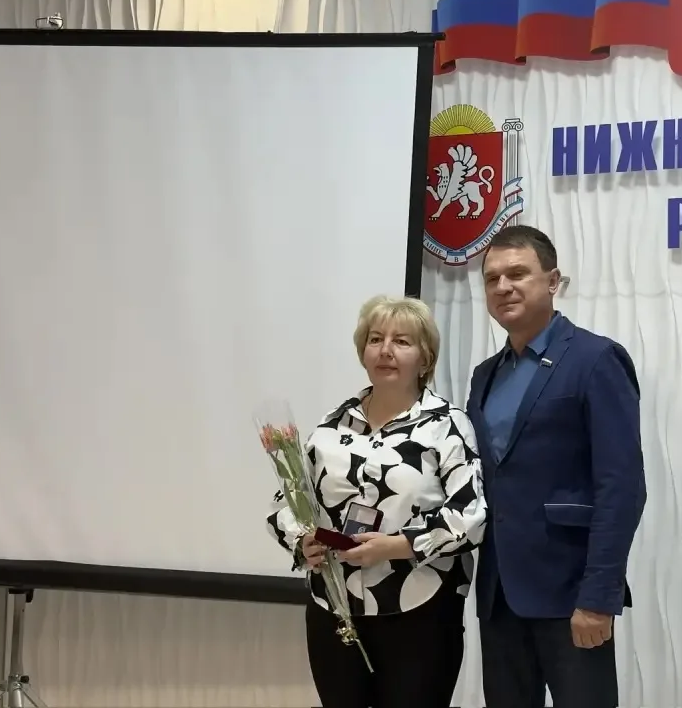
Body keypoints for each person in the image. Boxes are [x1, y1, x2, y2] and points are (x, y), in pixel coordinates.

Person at [265, 295, 487, 708]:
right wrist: (301, 541)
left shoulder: (447, 426)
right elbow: (286, 503)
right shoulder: (333, 424)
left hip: (419, 609)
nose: (385, 350)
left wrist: (395, 546)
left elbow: (470, 516)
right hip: (333, 608)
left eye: (401, 341)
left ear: (425, 358)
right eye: (375, 339)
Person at [468, 225, 646, 708]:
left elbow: (622, 487)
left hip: (571, 596)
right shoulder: (484, 376)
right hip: (500, 596)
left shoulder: (595, 359)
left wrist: (599, 597)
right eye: (492, 278)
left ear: (552, 281)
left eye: (517, 274)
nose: (503, 286)